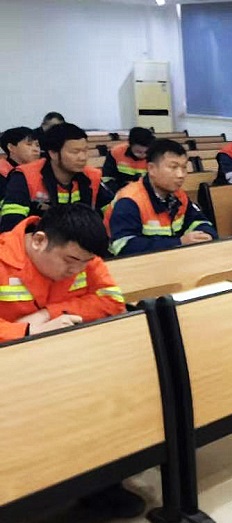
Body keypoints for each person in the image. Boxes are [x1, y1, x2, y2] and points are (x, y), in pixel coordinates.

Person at [0, 203, 144, 518]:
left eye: (84, 264)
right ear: (39, 241)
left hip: (74, 364)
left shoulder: (83, 255)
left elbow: (113, 302)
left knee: (111, 398)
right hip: (12, 372)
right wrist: (27, 331)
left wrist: (47, 314)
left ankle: (102, 486)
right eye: (69, 262)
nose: (77, 271)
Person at [107, 139, 217, 256]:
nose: (181, 175)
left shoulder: (179, 195)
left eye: (184, 167)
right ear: (151, 169)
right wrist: (179, 242)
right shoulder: (129, 200)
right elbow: (124, 246)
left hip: (172, 257)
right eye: (173, 167)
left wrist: (205, 234)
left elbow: (199, 221)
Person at [0, 123, 113, 233]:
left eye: (85, 151)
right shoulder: (25, 177)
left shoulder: (91, 176)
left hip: (81, 239)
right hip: (39, 240)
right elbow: (11, 226)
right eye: (75, 152)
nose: (82, 157)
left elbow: (113, 213)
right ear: (53, 153)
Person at [102, 126, 154, 193]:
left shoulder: (155, 155)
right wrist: (121, 192)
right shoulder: (116, 153)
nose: (143, 155)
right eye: (138, 152)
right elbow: (107, 177)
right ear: (130, 144)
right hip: (119, 191)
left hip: (146, 192)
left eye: (146, 152)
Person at [0, 126, 41, 200]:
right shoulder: (2, 173)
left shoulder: (43, 172)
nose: (36, 149)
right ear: (11, 147)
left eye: (37, 145)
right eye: (29, 144)